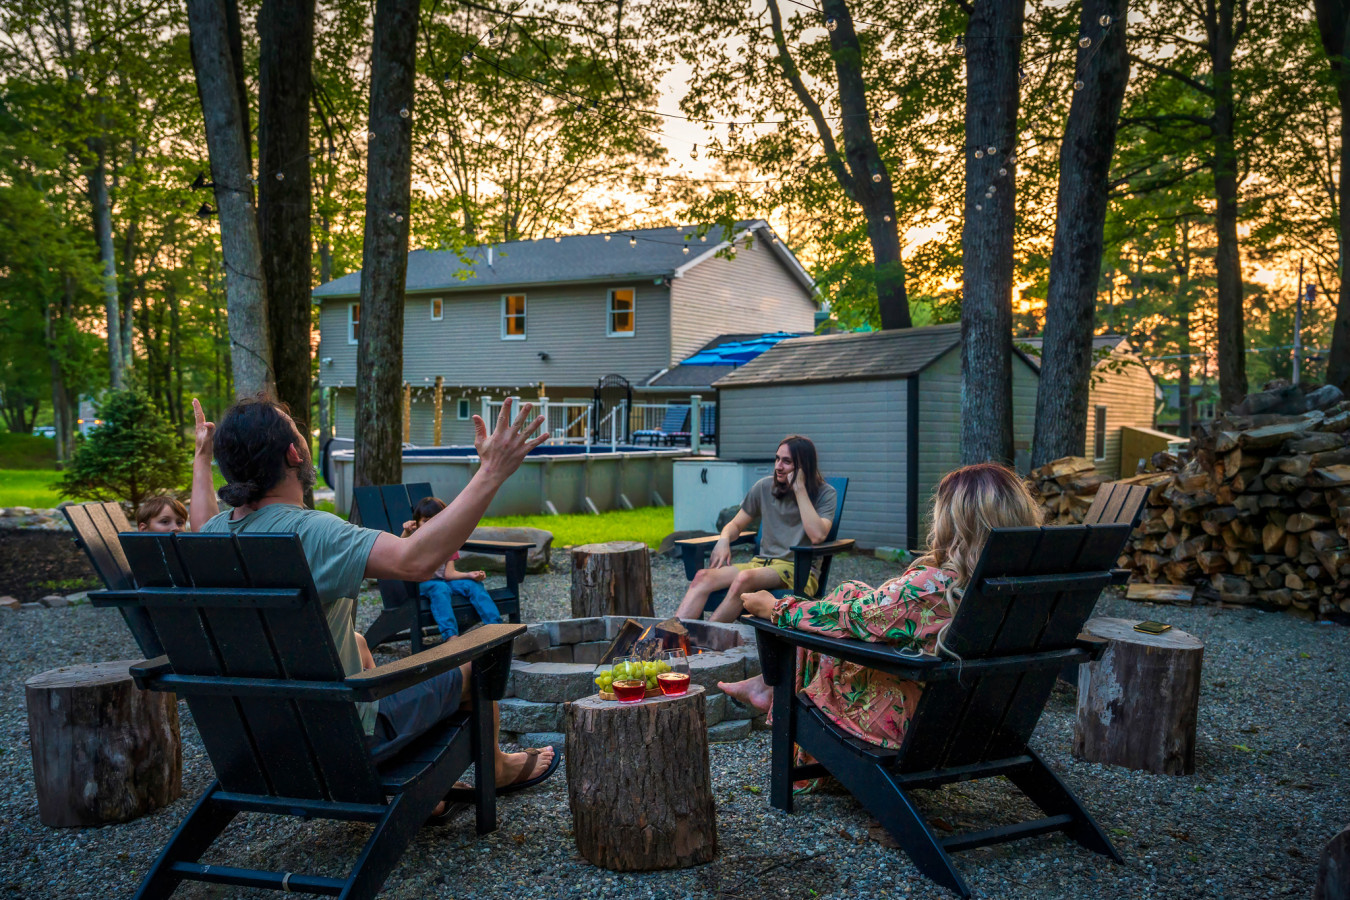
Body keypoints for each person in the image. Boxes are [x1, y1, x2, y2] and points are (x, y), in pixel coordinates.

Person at [194, 393, 556, 819]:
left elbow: (200, 522)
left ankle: (430, 788)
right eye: (295, 427)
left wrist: (201, 459)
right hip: (338, 744)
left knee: (360, 642)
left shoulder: (211, 538)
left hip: (255, 744)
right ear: (294, 453)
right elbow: (415, 559)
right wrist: (492, 471)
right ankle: (495, 769)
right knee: (478, 662)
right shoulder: (314, 533)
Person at [719, 462, 1043, 753]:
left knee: (838, 623)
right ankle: (766, 684)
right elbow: (868, 611)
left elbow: (848, 620)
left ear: (956, 522)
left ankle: (771, 686)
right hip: (979, 715)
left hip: (915, 721)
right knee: (852, 591)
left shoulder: (933, 587)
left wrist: (776, 607)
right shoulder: (1030, 581)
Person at [674, 435, 836, 623]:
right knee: (702, 577)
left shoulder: (825, 493)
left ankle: (709, 641)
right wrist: (724, 539)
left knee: (744, 579)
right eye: (777, 459)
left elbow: (817, 535)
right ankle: (670, 639)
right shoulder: (765, 487)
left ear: (803, 466)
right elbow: (735, 524)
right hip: (760, 564)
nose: (778, 466)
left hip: (798, 570)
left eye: (786, 462)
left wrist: (799, 489)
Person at [401, 496, 503, 639]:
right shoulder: (415, 540)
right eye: (425, 521)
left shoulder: (448, 542)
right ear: (417, 523)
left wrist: (469, 575)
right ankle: (451, 636)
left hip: (444, 582)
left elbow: (449, 574)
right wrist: (406, 532)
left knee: (473, 585)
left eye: (435, 520)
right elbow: (400, 552)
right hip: (420, 585)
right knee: (440, 588)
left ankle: (496, 628)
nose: (430, 525)